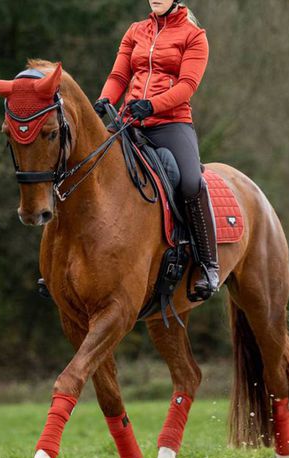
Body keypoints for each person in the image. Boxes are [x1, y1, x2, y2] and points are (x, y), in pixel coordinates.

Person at [94, 0, 219, 298]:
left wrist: (152, 105)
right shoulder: (136, 31)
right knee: (89, 166)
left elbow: (187, 86)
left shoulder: (194, 36)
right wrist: (104, 100)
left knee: (190, 182)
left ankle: (208, 265)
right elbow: (119, 77)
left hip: (171, 122)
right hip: (129, 119)